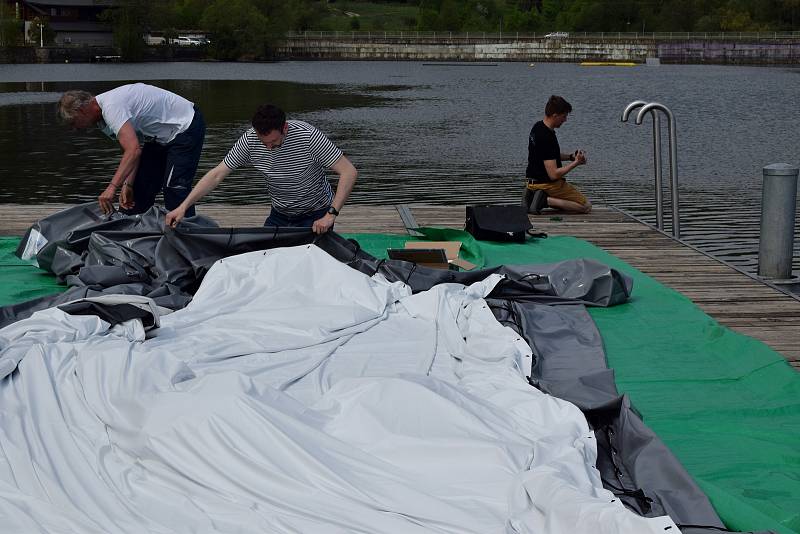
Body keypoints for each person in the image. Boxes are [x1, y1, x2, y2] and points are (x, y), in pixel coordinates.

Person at [165, 104, 357, 235]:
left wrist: (330, 215)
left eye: (274, 142)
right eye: (264, 143)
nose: (269, 148)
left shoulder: (308, 137)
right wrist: (183, 207)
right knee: (263, 261)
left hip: (316, 215)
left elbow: (348, 171)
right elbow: (217, 174)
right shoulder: (250, 140)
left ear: (285, 128)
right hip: (280, 215)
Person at [57, 83, 205, 217]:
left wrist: (112, 188)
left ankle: (187, 235)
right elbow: (134, 151)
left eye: (74, 122)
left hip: (185, 125)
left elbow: (132, 150)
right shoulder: (102, 120)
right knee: (137, 190)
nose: (76, 128)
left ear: (82, 110)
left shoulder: (111, 108)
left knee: (174, 187)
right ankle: (131, 232)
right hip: (158, 137)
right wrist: (128, 184)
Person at [522, 95, 591, 215]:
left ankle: (535, 196)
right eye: (563, 117)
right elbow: (553, 175)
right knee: (585, 206)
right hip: (547, 184)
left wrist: (570, 157)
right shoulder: (546, 137)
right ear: (555, 115)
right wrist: (576, 163)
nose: (565, 120)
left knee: (569, 202)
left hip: (532, 182)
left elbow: (548, 156)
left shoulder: (537, 127)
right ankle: (544, 200)